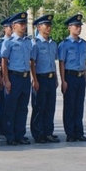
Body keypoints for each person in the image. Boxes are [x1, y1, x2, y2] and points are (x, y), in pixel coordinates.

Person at [0, 12, 32, 146]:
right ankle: (10, 135)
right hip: (14, 76)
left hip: (25, 77)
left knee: (22, 108)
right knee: (11, 108)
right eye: (21, 24)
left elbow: (31, 61)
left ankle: (20, 134)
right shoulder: (8, 42)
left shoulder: (28, 42)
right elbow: (3, 61)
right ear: (13, 26)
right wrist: (6, 80)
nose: (23, 26)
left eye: (25, 24)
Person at [58, 14, 86, 143]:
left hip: (80, 77)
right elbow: (62, 63)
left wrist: (85, 78)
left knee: (79, 106)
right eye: (76, 26)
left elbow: (85, 63)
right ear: (69, 28)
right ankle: (70, 133)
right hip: (70, 76)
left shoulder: (83, 44)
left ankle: (79, 132)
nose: (79, 28)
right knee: (70, 106)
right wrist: (63, 80)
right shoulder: (64, 44)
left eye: (80, 26)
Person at [30, 14, 60, 144]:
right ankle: (38, 133)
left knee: (50, 107)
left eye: (49, 25)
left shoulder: (53, 44)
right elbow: (32, 63)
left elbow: (53, 62)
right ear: (39, 27)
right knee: (39, 107)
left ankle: (48, 132)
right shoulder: (35, 43)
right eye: (46, 25)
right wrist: (34, 79)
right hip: (40, 78)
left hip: (51, 78)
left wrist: (56, 77)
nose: (49, 28)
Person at [0, 16, 13, 137]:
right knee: (3, 102)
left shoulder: (17, 41)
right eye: (9, 27)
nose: (11, 29)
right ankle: (2, 125)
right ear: (5, 28)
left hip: (14, 73)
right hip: (3, 74)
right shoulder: (1, 42)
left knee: (11, 103)